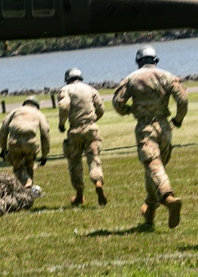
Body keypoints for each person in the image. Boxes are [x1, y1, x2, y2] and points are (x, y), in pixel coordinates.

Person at [112, 46, 188, 228]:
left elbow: (117, 102)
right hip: (165, 128)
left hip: (145, 127)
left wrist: (130, 110)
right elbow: (183, 99)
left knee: (153, 167)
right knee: (153, 170)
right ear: (156, 60)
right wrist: (177, 119)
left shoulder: (131, 78)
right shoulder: (168, 76)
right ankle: (149, 216)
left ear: (138, 61)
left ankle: (169, 199)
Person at [57, 67, 107, 206]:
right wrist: (93, 120)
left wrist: (62, 123)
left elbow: (63, 106)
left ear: (67, 79)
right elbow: (101, 108)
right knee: (94, 159)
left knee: (75, 163)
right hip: (91, 128)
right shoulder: (90, 89)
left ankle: (79, 195)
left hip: (75, 130)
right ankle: (97, 182)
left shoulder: (65, 90)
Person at [0, 96, 51, 187]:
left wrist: (3, 148)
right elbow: (45, 133)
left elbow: (3, 129)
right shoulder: (39, 113)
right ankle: (28, 185)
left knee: (18, 167)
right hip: (30, 143)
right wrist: (44, 155)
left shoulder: (14, 111)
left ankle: (26, 189)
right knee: (29, 167)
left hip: (14, 142)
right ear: (36, 106)